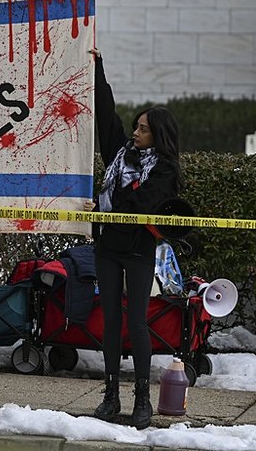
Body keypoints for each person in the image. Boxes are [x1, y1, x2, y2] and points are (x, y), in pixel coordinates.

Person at [89, 48, 183, 429]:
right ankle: (111, 395)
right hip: (108, 246)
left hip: (140, 250)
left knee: (138, 322)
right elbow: (106, 114)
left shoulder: (164, 168)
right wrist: (97, 66)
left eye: (143, 129)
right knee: (111, 319)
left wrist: (117, 196)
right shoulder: (120, 155)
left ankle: (142, 398)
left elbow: (144, 202)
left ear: (157, 135)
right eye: (136, 127)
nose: (135, 132)